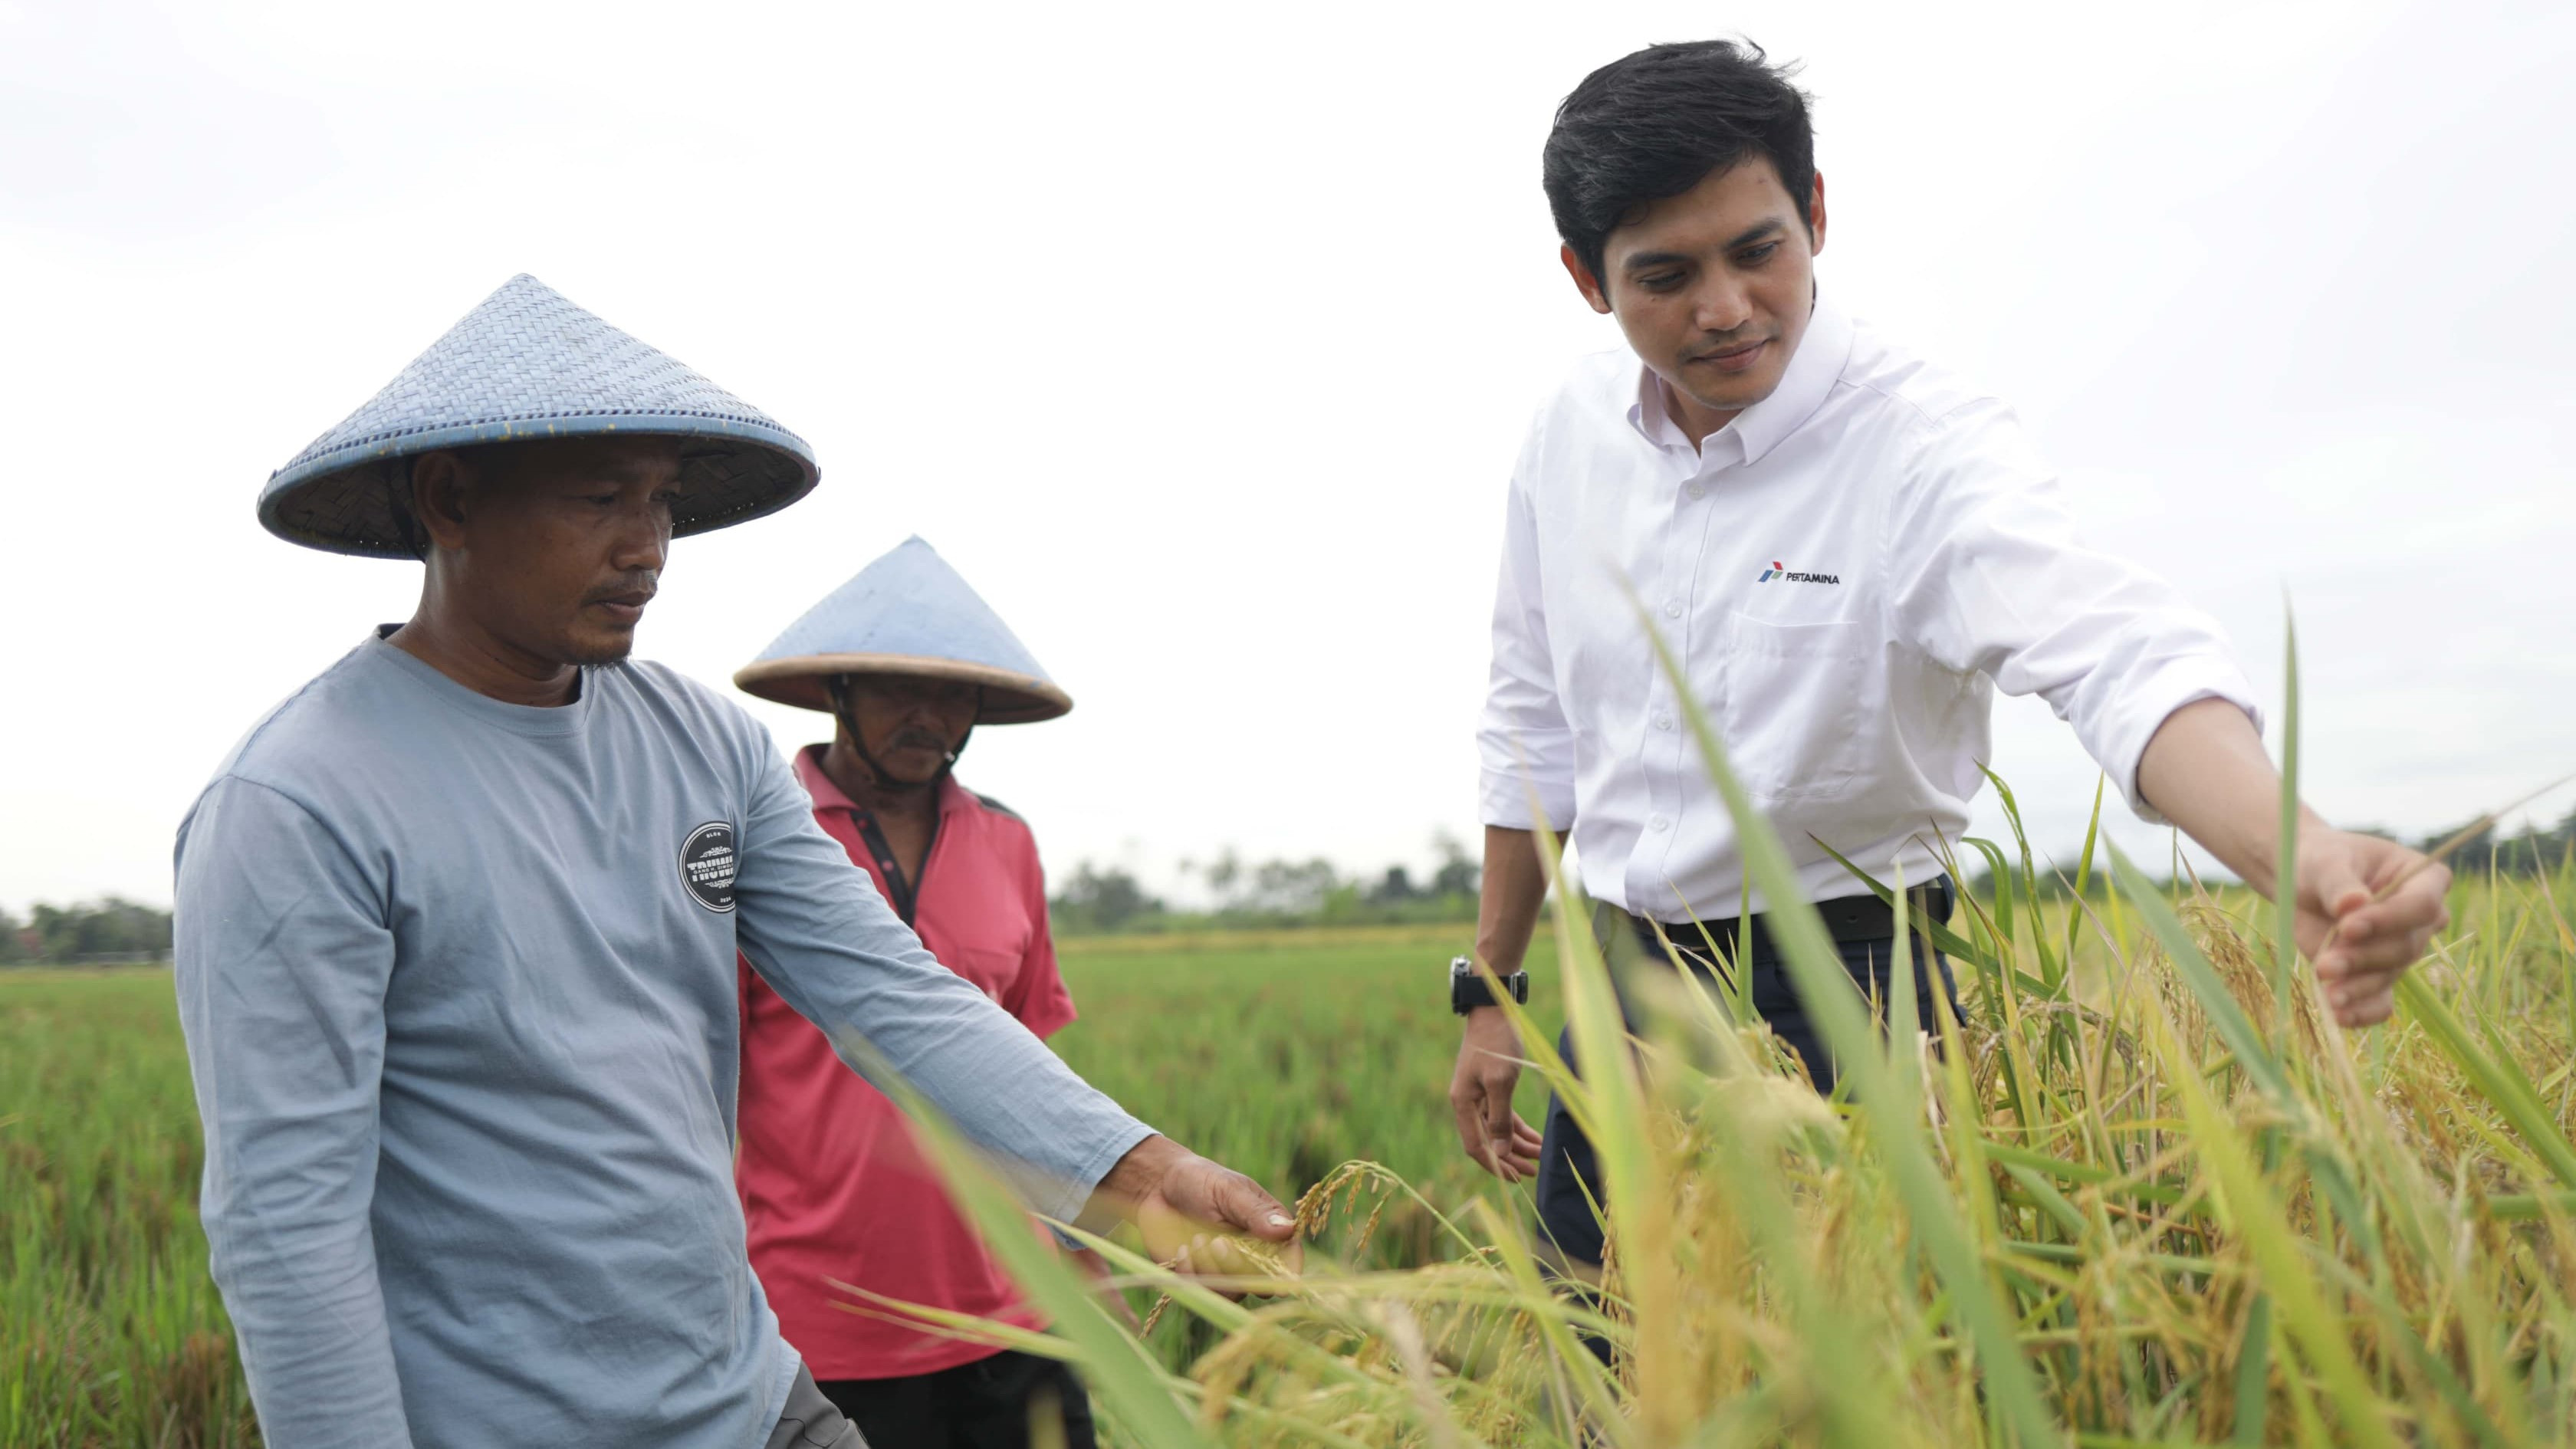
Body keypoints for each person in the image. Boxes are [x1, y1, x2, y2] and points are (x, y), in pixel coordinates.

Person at [175, 274, 1292, 1449]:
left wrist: (1141, 1171)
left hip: (756, 1402)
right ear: (449, 497)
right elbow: (287, 1224)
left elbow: (895, 994)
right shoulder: (300, 804)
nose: (649, 547)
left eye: (660, 502)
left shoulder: (703, 744)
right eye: (603, 497)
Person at [1445, 41, 2455, 1276]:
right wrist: (1492, 987)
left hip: (1856, 992)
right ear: (1587, 281)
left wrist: (2289, 845)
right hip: (1621, 985)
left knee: (1877, 1375)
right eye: (1667, 274)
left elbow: (2109, 646)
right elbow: (1529, 715)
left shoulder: (1921, 445)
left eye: (1757, 249)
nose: (1724, 307)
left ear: (1815, 214)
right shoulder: (1568, 434)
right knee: (1599, 1364)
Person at [730, 538, 1112, 1447]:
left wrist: (1082, 1245)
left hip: (1017, 1305)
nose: (928, 715)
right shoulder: (754, 842)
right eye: (900, 689)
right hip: (822, 1321)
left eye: (953, 694)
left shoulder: (1006, 843)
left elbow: (1026, 1061)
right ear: (838, 692)